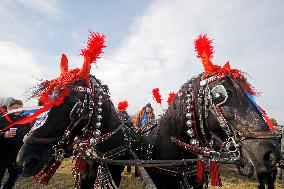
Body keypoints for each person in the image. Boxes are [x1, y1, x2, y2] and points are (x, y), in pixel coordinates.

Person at [0, 99, 32, 189]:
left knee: (14, 176)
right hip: (1, 154)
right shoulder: (1, 118)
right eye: (15, 108)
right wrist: (3, 135)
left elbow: (28, 132)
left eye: (20, 109)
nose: (18, 110)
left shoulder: (24, 119)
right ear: (8, 108)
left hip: (16, 155)